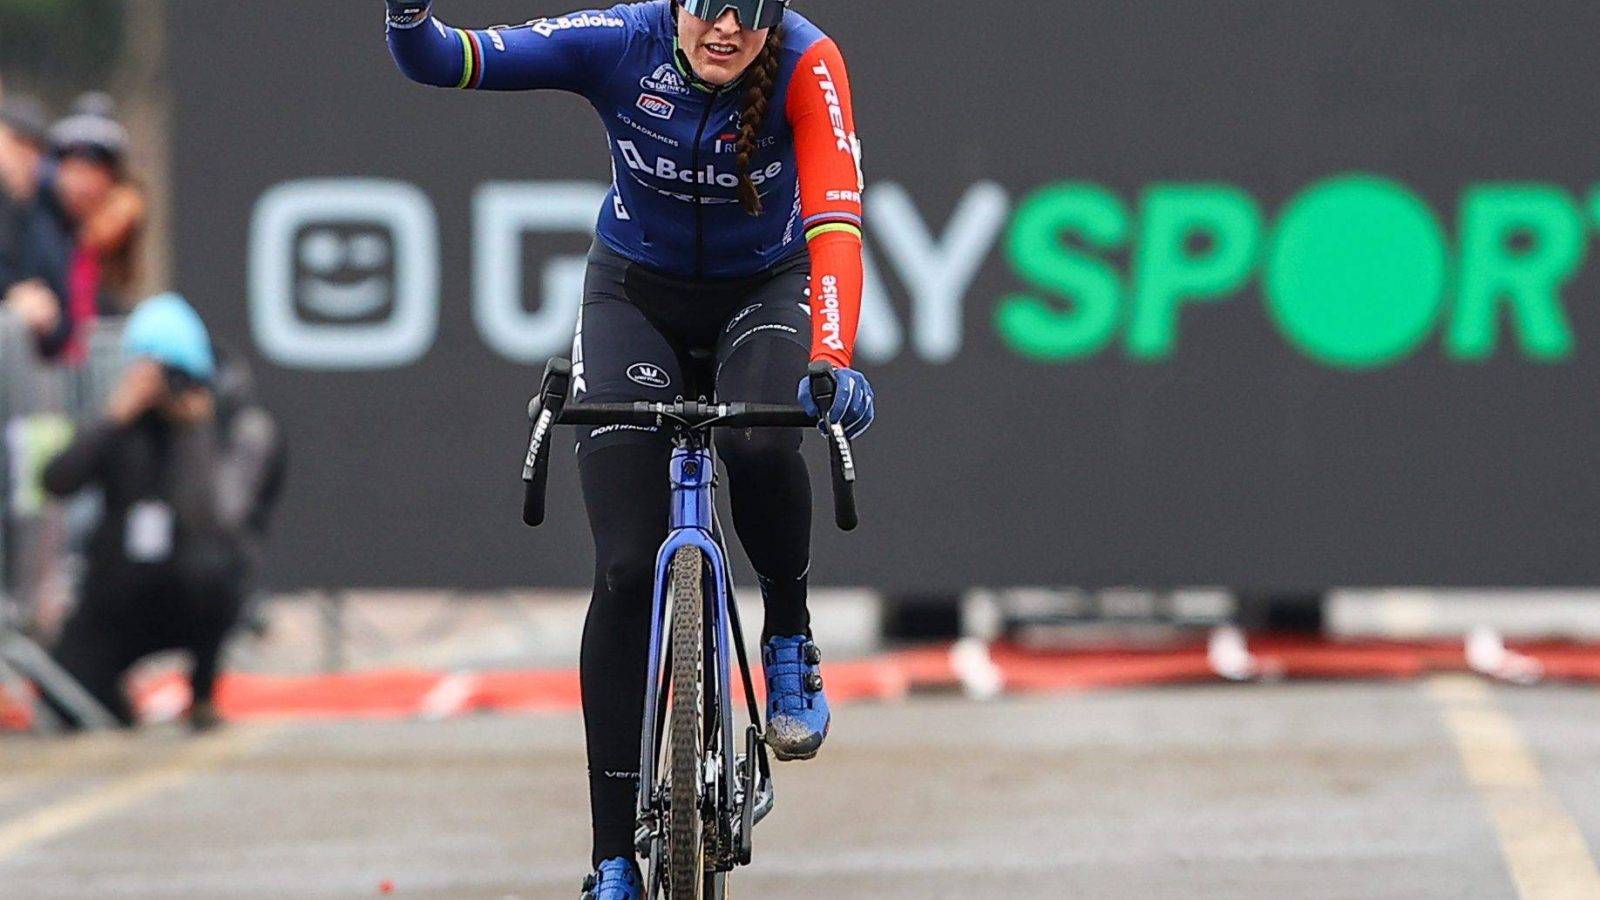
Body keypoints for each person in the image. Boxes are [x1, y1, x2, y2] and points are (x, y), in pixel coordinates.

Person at [386, 1, 876, 894]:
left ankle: (790, 638)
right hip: (632, 298)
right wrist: (405, 14)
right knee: (620, 572)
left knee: (768, 438)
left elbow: (836, 224)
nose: (726, 27)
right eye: (706, 6)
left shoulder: (809, 61)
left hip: (764, 289)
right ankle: (612, 858)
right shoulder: (622, 42)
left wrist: (831, 358)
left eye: (752, 10)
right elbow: (438, 59)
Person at [40, 294, 256, 732]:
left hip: (186, 593)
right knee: (62, 696)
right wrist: (113, 416)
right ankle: (116, 700)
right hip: (121, 592)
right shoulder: (121, 426)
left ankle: (201, 695)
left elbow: (219, 516)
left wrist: (195, 430)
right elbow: (57, 481)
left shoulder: (219, 426)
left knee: (217, 568)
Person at [4, 94, 146, 364]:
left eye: (96, 169)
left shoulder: (111, 232)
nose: (83, 182)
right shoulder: (33, 222)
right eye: (74, 165)